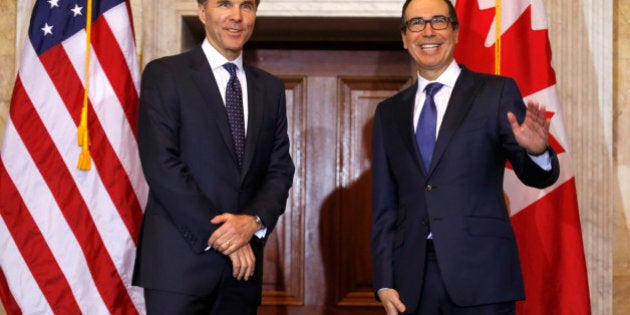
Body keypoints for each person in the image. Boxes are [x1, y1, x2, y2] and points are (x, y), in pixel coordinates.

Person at [370, 0, 560, 314]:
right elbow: (384, 206)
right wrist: (383, 281)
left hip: (482, 275)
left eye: (438, 21)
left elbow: (537, 175)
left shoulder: (495, 92)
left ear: (456, 31)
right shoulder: (388, 113)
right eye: (416, 23)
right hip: (412, 280)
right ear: (404, 37)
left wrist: (536, 151)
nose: (427, 31)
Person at [132, 0, 295, 313]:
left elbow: (279, 170)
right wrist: (226, 237)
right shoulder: (166, 74)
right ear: (203, 12)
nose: (236, 16)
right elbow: (163, 166)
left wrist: (253, 221)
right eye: (224, 4)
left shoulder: (270, 89)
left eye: (246, 6)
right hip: (178, 269)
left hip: (242, 274)